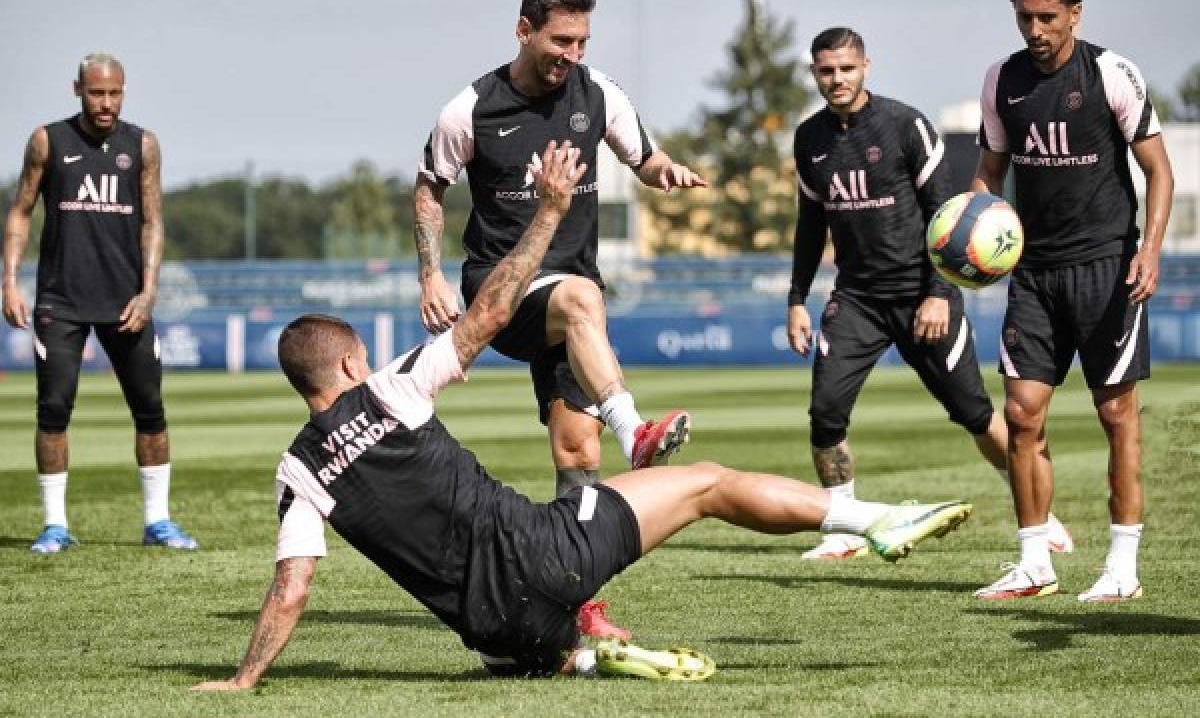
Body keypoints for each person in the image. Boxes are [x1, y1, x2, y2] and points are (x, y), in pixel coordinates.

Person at [191, 141, 973, 688]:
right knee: (704, 482)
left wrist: (241, 679)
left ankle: (586, 654)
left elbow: (292, 588)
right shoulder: (390, 387)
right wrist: (549, 214)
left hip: (498, 632)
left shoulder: (296, 474)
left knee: (520, 636)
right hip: (548, 556)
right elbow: (491, 312)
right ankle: (868, 519)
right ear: (352, 365)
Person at [414, 0, 707, 637]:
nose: (572, 53)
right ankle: (635, 430)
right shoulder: (470, 109)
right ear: (525, 30)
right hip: (503, 289)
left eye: (582, 40)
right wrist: (430, 274)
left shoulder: (598, 93)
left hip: (575, 303)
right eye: (560, 39)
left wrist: (667, 173)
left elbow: (646, 158)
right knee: (580, 297)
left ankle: (577, 601)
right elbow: (430, 187)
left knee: (576, 450)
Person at [787, 28, 1072, 560]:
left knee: (975, 414)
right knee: (826, 412)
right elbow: (809, 224)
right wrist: (796, 298)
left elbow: (950, 210)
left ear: (866, 66)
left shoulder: (904, 125)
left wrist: (939, 292)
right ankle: (845, 529)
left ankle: (1041, 513)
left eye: (846, 69)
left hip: (924, 296)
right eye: (826, 71)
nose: (837, 80)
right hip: (857, 300)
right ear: (815, 73)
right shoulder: (809, 139)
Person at [970, 0, 1173, 602]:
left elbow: (1159, 173)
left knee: (1117, 415)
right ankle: (1034, 562)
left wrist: (1151, 250)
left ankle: (1122, 567)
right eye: (1026, 17)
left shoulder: (1111, 73)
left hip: (1109, 268)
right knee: (1022, 413)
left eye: (1048, 18)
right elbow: (988, 174)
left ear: (1075, 14)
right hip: (1034, 275)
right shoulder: (1002, 80)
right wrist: (975, 233)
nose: (1036, 29)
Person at [2, 53, 197, 554]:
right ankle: (54, 525)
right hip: (60, 302)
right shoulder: (48, 140)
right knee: (53, 411)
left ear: (124, 92)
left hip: (126, 303)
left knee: (150, 410)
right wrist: (9, 281)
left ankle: (158, 522)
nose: (106, 103)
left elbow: (153, 221)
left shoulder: (143, 145)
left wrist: (148, 292)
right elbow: (21, 211)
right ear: (78, 90)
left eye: (114, 93)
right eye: (96, 93)